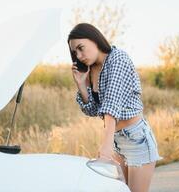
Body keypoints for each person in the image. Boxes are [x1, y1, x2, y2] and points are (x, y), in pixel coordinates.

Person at [68, 23, 163, 192]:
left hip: (136, 139)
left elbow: (111, 107)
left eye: (81, 48)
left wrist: (105, 146)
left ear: (94, 39)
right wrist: (82, 84)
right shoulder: (92, 69)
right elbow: (92, 110)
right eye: (75, 52)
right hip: (118, 140)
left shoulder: (118, 59)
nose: (79, 55)